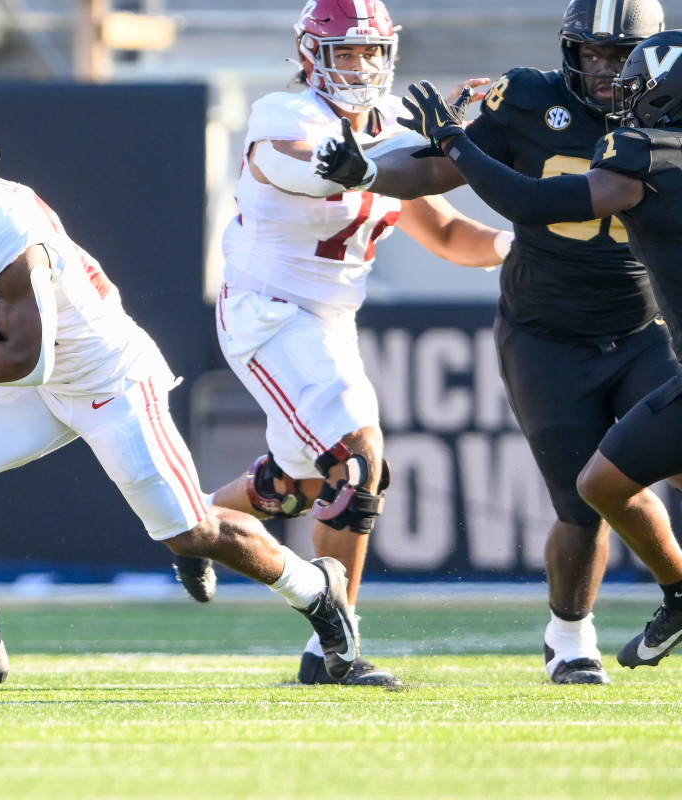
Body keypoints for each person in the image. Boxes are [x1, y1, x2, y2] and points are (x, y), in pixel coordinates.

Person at [0, 106, 361, 691]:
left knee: (191, 532)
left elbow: (29, 358)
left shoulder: (3, 228)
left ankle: (317, 591)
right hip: (47, 375)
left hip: (108, 380)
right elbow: (5, 333)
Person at [314, 0, 671, 685]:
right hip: (546, 332)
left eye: (618, 56)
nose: (604, 69)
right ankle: (570, 636)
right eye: (591, 53)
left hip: (643, 328)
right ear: (569, 50)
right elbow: (431, 176)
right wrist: (366, 175)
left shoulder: (668, 111)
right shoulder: (530, 100)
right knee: (580, 499)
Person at [172, 0, 511, 688]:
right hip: (268, 311)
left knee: (295, 487)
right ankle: (336, 647)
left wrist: (526, 244)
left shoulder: (391, 130)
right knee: (357, 463)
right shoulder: (285, 115)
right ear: (310, 56)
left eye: (370, 52)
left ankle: (192, 524)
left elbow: (446, 234)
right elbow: (309, 168)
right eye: (345, 52)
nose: (360, 67)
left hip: (328, 319)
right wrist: (450, 146)